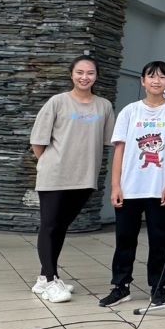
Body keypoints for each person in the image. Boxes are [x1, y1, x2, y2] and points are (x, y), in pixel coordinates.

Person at [99, 61, 165, 308]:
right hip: (130, 188)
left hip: (161, 189)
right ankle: (121, 286)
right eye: (151, 76)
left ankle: (158, 288)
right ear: (143, 81)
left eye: (162, 77)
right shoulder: (130, 111)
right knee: (124, 239)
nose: (156, 81)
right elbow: (119, 150)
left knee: (160, 241)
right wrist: (116, 186)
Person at [30, 55, 115, 303]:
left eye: (90, 73)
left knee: (61, 226)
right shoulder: (58, 102)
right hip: (55, 176)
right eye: (79, 72)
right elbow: (38, 142)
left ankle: (45, 277)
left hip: (84, 178)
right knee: (50, 225)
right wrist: (52, 164)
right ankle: (50, 279)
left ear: (96, 76)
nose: (84, 77)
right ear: (71, 74)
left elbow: (109, 141)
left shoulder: (104, 106)